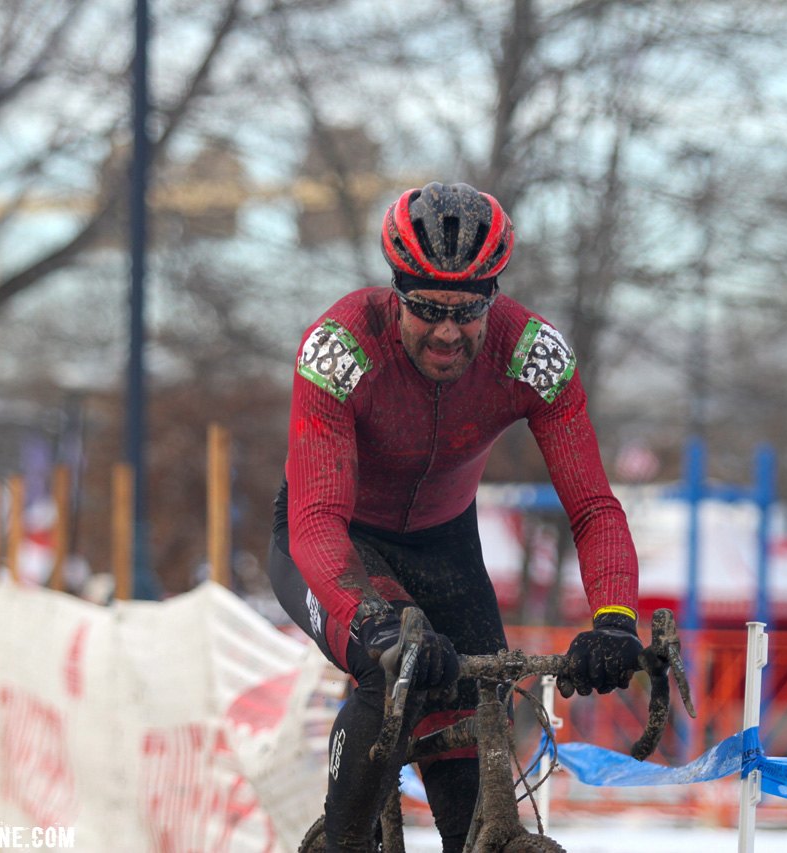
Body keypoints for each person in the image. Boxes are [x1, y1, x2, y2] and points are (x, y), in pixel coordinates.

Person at [267, 181, 641, 852]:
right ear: (395, 293)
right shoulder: (340, 346)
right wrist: (373, 620)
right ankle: (343, 842)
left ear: (492, 299)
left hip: (446, 547)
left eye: (467, 311)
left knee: (480, 707)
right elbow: (318, 517)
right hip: (334, 539)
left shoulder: (533, 351)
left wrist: (613, 620)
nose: (447, 331)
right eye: (427, 309)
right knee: (394, 669)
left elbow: (593, 505)